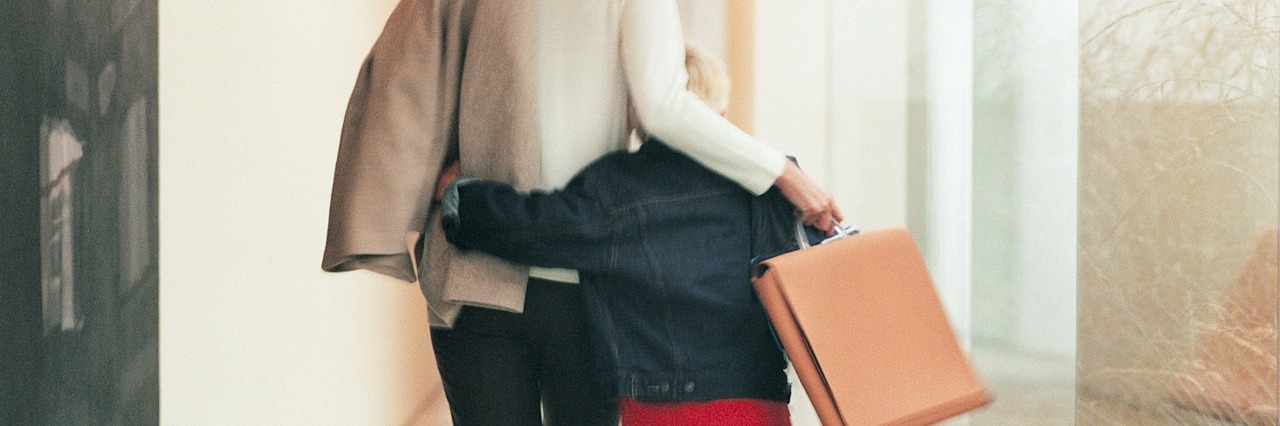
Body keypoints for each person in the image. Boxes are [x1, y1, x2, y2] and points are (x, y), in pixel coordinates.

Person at [321, 1, 841, 424]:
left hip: (476, 281)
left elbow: (401, 78)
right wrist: (786, 175)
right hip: (598, 304)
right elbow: (665, 105)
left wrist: (457, 197)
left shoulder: (626, 194)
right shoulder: (725, 195)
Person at [434, 44, 823, 425]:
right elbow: (815, 275)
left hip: (665, 410)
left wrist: (463, 198)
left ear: (637, 115)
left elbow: (540, 226)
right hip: (761, 406)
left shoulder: (621, 186)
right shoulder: (774, 185)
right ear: (720, 111)